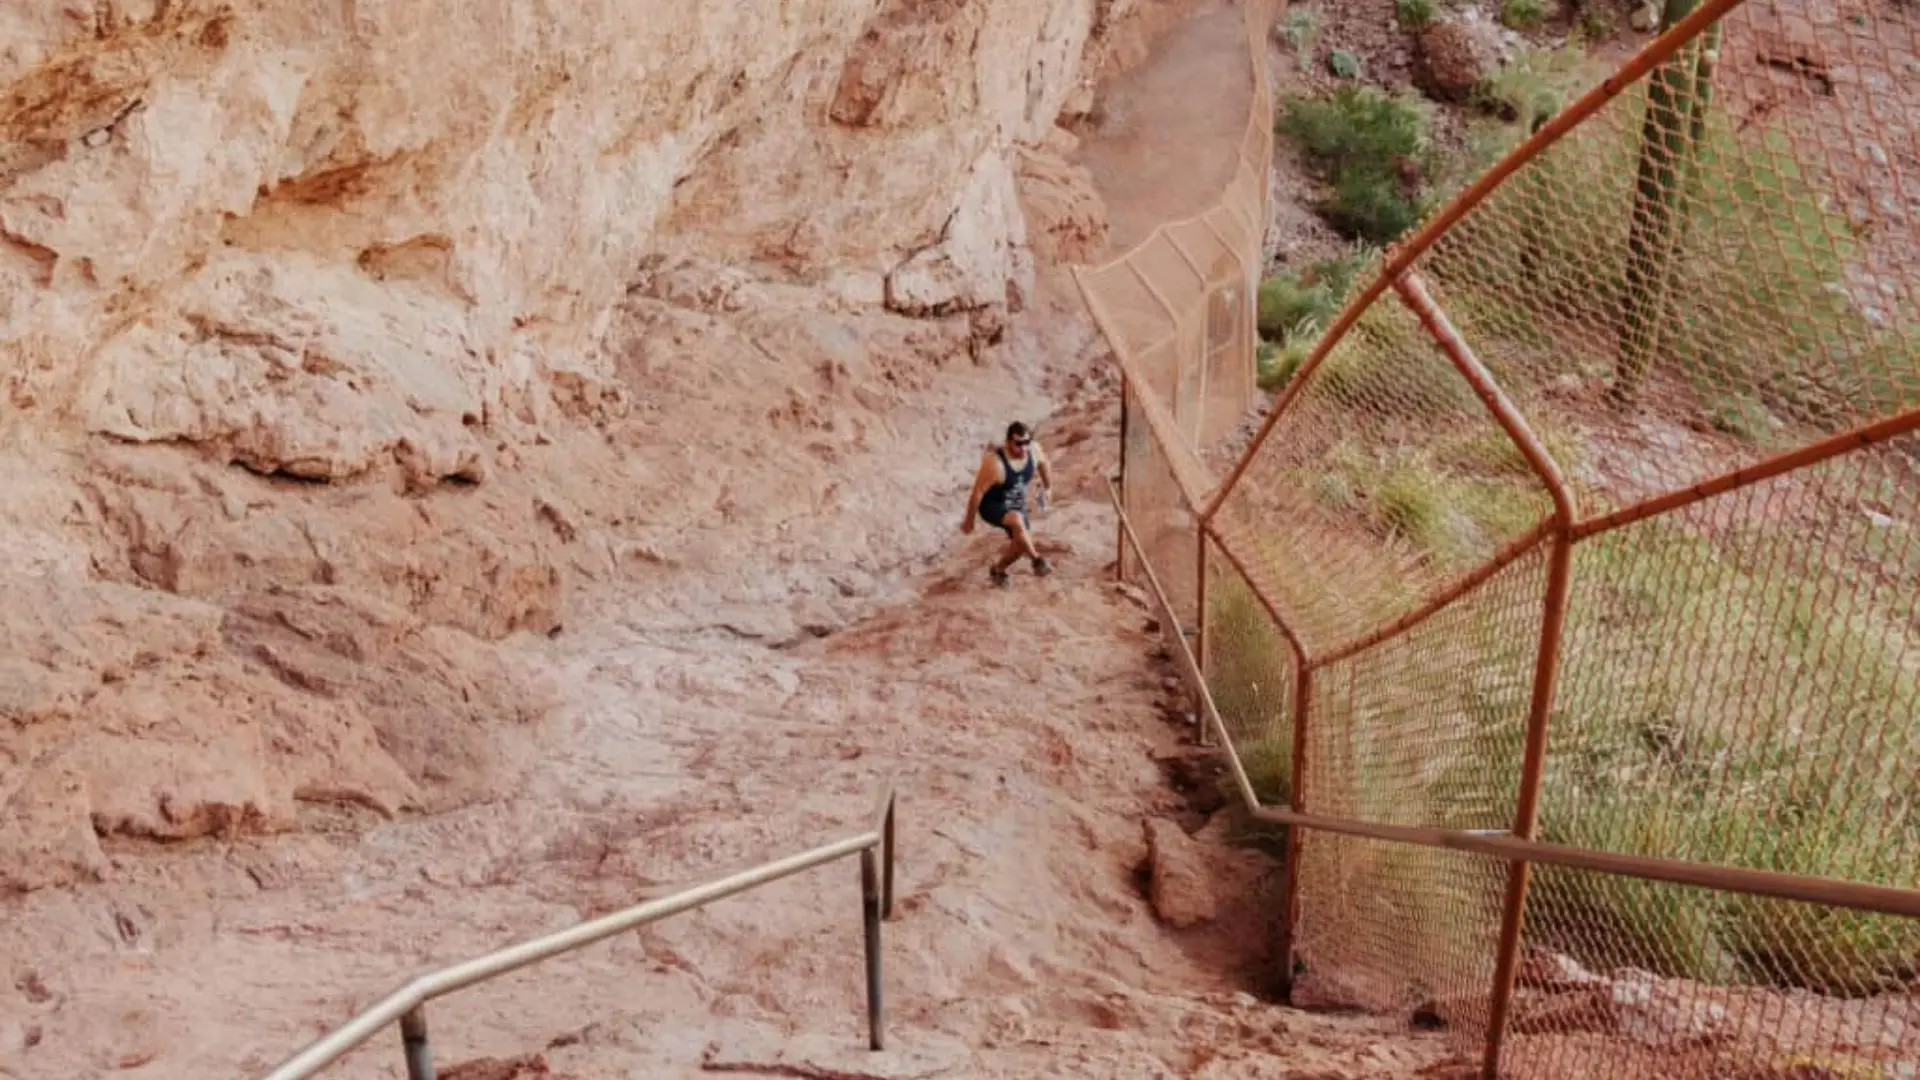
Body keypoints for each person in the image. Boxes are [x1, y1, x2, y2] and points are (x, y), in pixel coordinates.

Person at [960, 421, 1054, 586]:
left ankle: (998, 570)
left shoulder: (1034, 450)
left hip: (1016, 503)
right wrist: (969, 520)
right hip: (992, 505)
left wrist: (1048, 487)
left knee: (1020, 542)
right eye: (1018, 444)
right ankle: (1037, 560)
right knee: (1017, 520)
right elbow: (977, 492)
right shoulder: (995, 464)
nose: (1023, 448)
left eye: (1026, 443)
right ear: (1008, 442)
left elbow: (1044, 463)